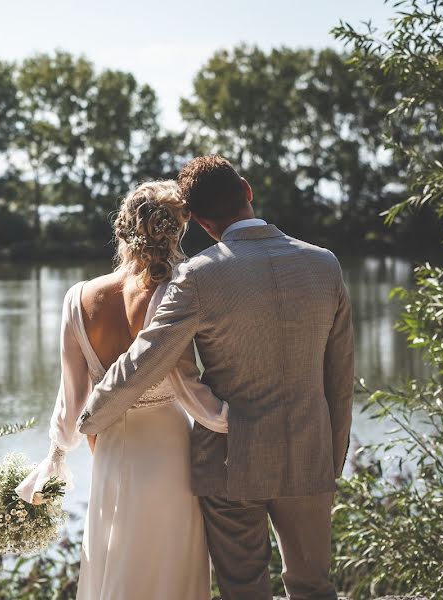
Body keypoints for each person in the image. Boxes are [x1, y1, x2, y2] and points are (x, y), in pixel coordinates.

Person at [79, 155, 355, 600]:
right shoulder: (325, 265)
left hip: (232, 462)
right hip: (308, 452)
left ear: (201, 223)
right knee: (313, 587)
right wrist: (331, 454)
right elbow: (340, 378)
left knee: (243, 589)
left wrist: (89, 417)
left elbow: (145, 360)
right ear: (247, 190)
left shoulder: (197, 276)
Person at [17, 180, 229, 600]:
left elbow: (73, 399)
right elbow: (188, 388)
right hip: (168, 450)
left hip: (110, 450)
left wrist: (59, 451)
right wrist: (233, 421)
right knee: (168, 566)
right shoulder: (175, 292)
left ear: (122, 228)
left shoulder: (78, 298)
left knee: (115, 559)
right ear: (174, 232)